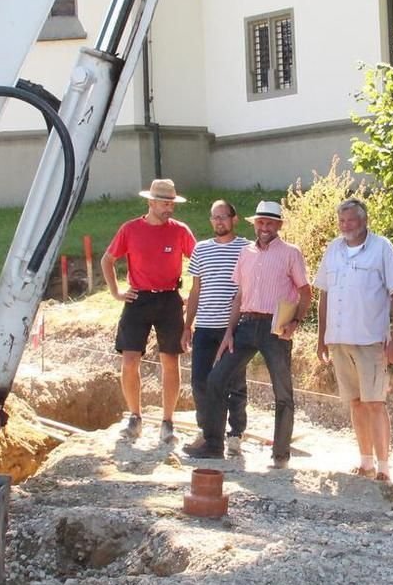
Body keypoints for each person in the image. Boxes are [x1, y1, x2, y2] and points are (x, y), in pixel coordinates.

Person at [191, 200, 308, 464]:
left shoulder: (291, 253)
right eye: (260, 222)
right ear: (255, 224)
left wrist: (295, 322)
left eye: (270, 223)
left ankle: (280, 454)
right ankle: (213, 445)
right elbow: (240, 295)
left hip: (275, 328)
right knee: (216, 379)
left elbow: (305, 292)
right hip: (245, 325)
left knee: (283, 392)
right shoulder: (246, 253)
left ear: (278, 225)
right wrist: (229, 332)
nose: (264, 227)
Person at [314, 197, 393, 480]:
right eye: (342, 221)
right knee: (355, 402)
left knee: (375, 403)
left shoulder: (382, 248)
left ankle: (384, 467)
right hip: (338, 339)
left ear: (364, 221)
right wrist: (321, 337)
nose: (346, 226)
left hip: (370, 341)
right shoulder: (333, 248)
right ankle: (365, 462)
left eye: (351, 220)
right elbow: (324, 294)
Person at [101, 177, 198, 434]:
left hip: (169, 299)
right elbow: (107, 260)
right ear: (151, 203)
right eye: (165, 203)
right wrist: (116, 292)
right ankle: (135, 416)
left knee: (171, 359)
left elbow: (200, 262)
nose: (169, 208)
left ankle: (168, 421)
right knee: (130, 359)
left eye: (172, 204)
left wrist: (193, 293)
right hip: (138, 299)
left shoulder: (180, 230)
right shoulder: (130, 229)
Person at [183, 200, 251, 455]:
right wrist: (187, 325)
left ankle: (235, 434)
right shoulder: (201, 249)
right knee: (200, 381)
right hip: (205, 325)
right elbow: (195, 289)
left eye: (223, 216)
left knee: (235, 382)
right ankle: (207, 431)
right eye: (215, 217)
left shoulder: (247, 248)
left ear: (234, 219)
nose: (219, 221)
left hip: (234, 327)